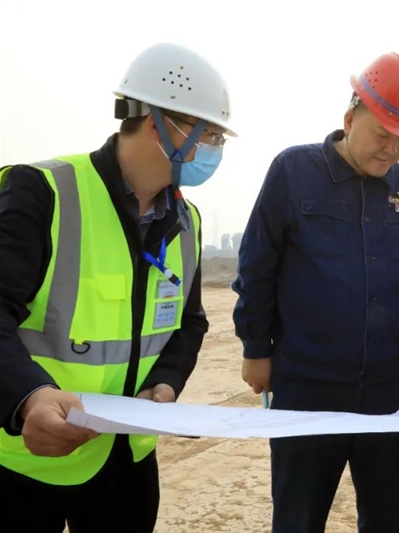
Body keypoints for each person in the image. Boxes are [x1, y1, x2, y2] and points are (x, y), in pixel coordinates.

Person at [0, 42, 229, 533]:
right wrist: (29, 396)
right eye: (208, 134)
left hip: (125, 464)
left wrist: (166, 382)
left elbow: (189, 323)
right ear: (158, 125)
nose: (214, 149)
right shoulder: (42, 192)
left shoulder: (185, 223)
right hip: (26, 461)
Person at [232, 52, 399, 533]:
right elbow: (257, 266)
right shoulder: (293, 171)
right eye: (383, 135)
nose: (392, 150)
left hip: (386, 386)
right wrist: (255, 349)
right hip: (308, 382)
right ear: (349, 120)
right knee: (299, 516)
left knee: (386, 517)